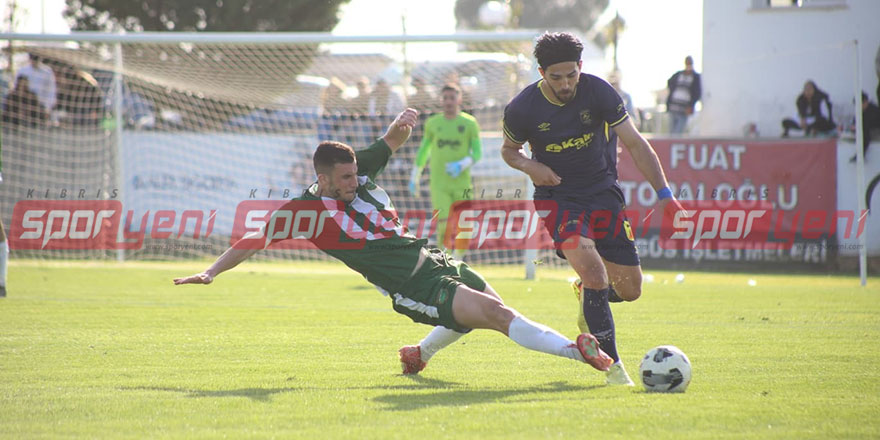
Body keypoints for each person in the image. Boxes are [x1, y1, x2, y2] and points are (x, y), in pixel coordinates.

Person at [174, 108, 614, 376]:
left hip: (432, 256)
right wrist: (211, 271)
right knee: (497, 315)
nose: (355, 180)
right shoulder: (303, 212)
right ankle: (579, 354)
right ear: (322, 178)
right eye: (345, 178)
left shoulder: (355, 166)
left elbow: (391, 141)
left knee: (492, 308)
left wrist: (402, 123)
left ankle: (418, 355)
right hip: (411, 285)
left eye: (354, 173)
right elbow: (254, 238)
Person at [493, 31, 682, 386]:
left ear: (581, 67)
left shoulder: (599, 92)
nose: (565, 84)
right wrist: (532, 167)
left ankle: (588, 296)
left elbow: (636, 144)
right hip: (559, 199)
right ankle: (613, 368)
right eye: (556, 77)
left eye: (571, 75)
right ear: (541, 72)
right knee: (595, 273)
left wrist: (664, 194)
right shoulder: (522, 108)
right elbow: (508, 150)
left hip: (603, 194)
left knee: (630, 290)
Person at [409, 83, 482, 252]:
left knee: (463, 224)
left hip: (462, 183)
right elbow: (424, 150)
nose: (449, 101)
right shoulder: (433, 123)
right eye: (445, 98)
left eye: (452, 97)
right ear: (441, 100)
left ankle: (459, 259)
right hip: (439, 183)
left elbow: (477, 153)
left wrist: (461, 165)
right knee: (443, 223)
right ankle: (446, 259)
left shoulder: (469, 123)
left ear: (459, 99)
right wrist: (415, 176)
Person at [666, 55, 701, 135]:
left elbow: (697, 93)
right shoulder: (679, 74)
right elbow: (670, 82)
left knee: (678, 132)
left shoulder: (695, 77)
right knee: (671, 132)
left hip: (684, 110)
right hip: (673, 107)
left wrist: (691, 105)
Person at [850, 91, 880, 162]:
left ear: (865, 102)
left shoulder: (874, 110)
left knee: (864, 132)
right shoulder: (860, 111)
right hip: (867, 131)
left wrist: (857, 127)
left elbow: (869, 124)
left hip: (875, 130)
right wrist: (854, 126)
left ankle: (860, 155)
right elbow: (855, 121)